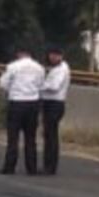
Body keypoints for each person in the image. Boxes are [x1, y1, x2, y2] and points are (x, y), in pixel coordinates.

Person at [0, 46, 45, 175]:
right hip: (33, 103)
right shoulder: (39, 68)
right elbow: (41, 86)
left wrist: (12, 90)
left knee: (13, 137)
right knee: (30, 137)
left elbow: (3, 84)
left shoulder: (13, 66)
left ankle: (9, 167)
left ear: (19, 53)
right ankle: (32, 168)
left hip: (17, 102)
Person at [40, 45, 70, 175]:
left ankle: (50, 166)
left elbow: (54, 87)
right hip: (48, 102)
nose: (52, 57)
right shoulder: (54, 68)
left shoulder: (62, 69)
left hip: (55, 103)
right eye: (51, 55)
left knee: (51, 136)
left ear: (60, 56)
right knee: (47, 134)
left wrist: (40, 85)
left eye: (55, 55)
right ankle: (47, 164)